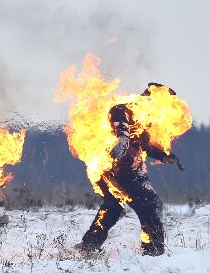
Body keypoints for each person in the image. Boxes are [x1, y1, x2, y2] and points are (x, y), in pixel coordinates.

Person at [76, 94, 183, 257]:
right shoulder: (124, 110)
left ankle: (89, 245)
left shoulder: (141, 121)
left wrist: (164, 156)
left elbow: (145, 146)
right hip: (120, 170)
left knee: (114, 206)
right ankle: (153, 250)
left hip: (122, 171)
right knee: (151, 204)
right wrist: (122, 138)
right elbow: (119, 117)